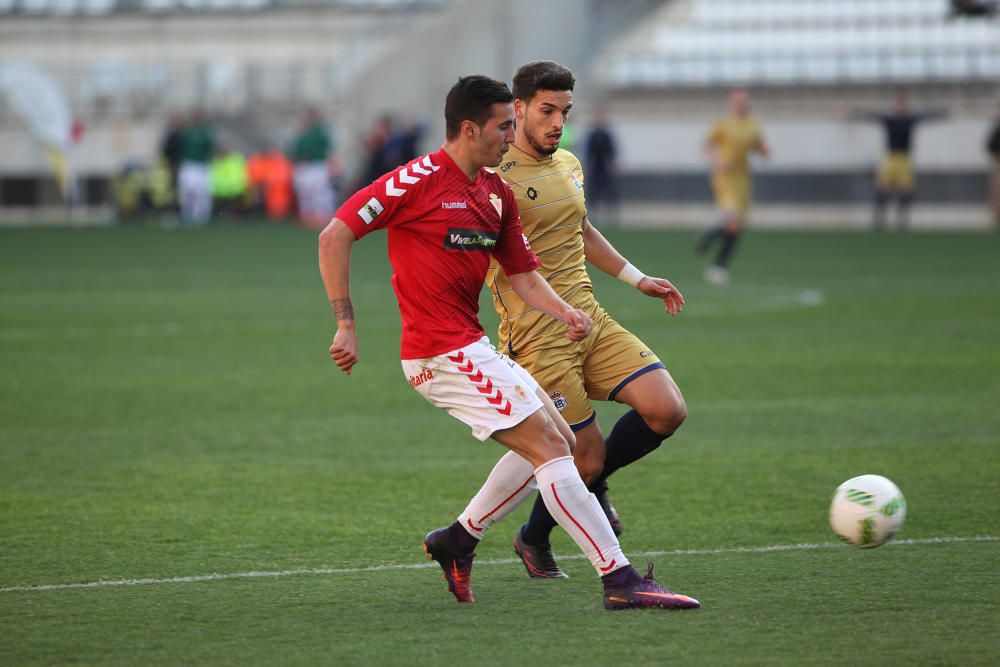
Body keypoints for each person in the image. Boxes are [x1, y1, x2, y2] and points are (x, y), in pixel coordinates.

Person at [318, 75, 699, 611]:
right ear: (471, 129)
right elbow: (335, 234)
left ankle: (457, 539)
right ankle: (620, 578)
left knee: (560, 440)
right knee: (554, 450)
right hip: (438, 354)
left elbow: (523, 275)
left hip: (470, 346)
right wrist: (345, 323)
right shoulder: (416, 179)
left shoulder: (496, 192)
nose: (510, 135)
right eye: (504, 126)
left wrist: (565, 309)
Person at [488, 60, 689, 581]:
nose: (558, 122)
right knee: (585, 458)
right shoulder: (493, 178)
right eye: (547, 111)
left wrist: (636, 278)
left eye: (565, 111)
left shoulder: (570, 164)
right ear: (520, 109)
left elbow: (582, 228)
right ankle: (535, 538)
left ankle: (571, 504)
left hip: (590, 319)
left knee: (667, 410)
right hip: (538, 338)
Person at [697, 87, 769, 286]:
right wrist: (717, 161)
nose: (742, 104)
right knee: (734, 222)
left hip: (743, 179)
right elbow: (706, 145)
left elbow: (759, 146)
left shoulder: (753, 126)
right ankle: (717, 260)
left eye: (745, 101)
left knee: (736, 228)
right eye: (738, 101)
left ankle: (715, 247)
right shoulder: (723, 124)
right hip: (725, 178)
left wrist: (764, 151)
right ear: (732, 103)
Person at [850, 91, 947, 231]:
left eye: (902, 105)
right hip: (890, 158)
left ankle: (902, 221)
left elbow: (929, 116)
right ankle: (879, 220)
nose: (900, 107)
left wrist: (946, 112)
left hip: (905, 159)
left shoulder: (910, 120)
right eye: (898, 105)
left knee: (905, 191)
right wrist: (853, 111)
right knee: (882, 189)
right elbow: (871, 116)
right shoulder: (889, 120)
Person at [289, 108, 338, 228]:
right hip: (304, 165)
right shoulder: (302, 133)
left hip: (317, 165)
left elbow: (327, 148)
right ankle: (308, 217)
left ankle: (324, 216)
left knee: (320, 191)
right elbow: (295, 151)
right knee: (305, 192)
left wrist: (332, 163)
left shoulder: (320, 131)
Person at [582, 108, 620, 227]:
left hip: (605, 168)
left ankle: (611, 214)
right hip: (595, 168)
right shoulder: (592, 136)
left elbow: (612, 152)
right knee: (593, 191)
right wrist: (588, 166)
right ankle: (594, 214)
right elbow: (588, 153)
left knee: (609, 190)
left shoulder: (607, 136)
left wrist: (613, 166)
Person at [177, 110, 216, 225]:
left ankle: (201, 218)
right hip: (189, 165)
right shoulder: (186, 131)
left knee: (202, 193)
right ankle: (187, 216)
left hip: (202, 166)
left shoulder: (206, 131)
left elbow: (211, 148)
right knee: (187, 192)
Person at [987, 110, 1000, 229]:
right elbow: (990, 146)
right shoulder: (997, 130)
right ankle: (996, 220)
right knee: (996, 194)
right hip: (998, 164)